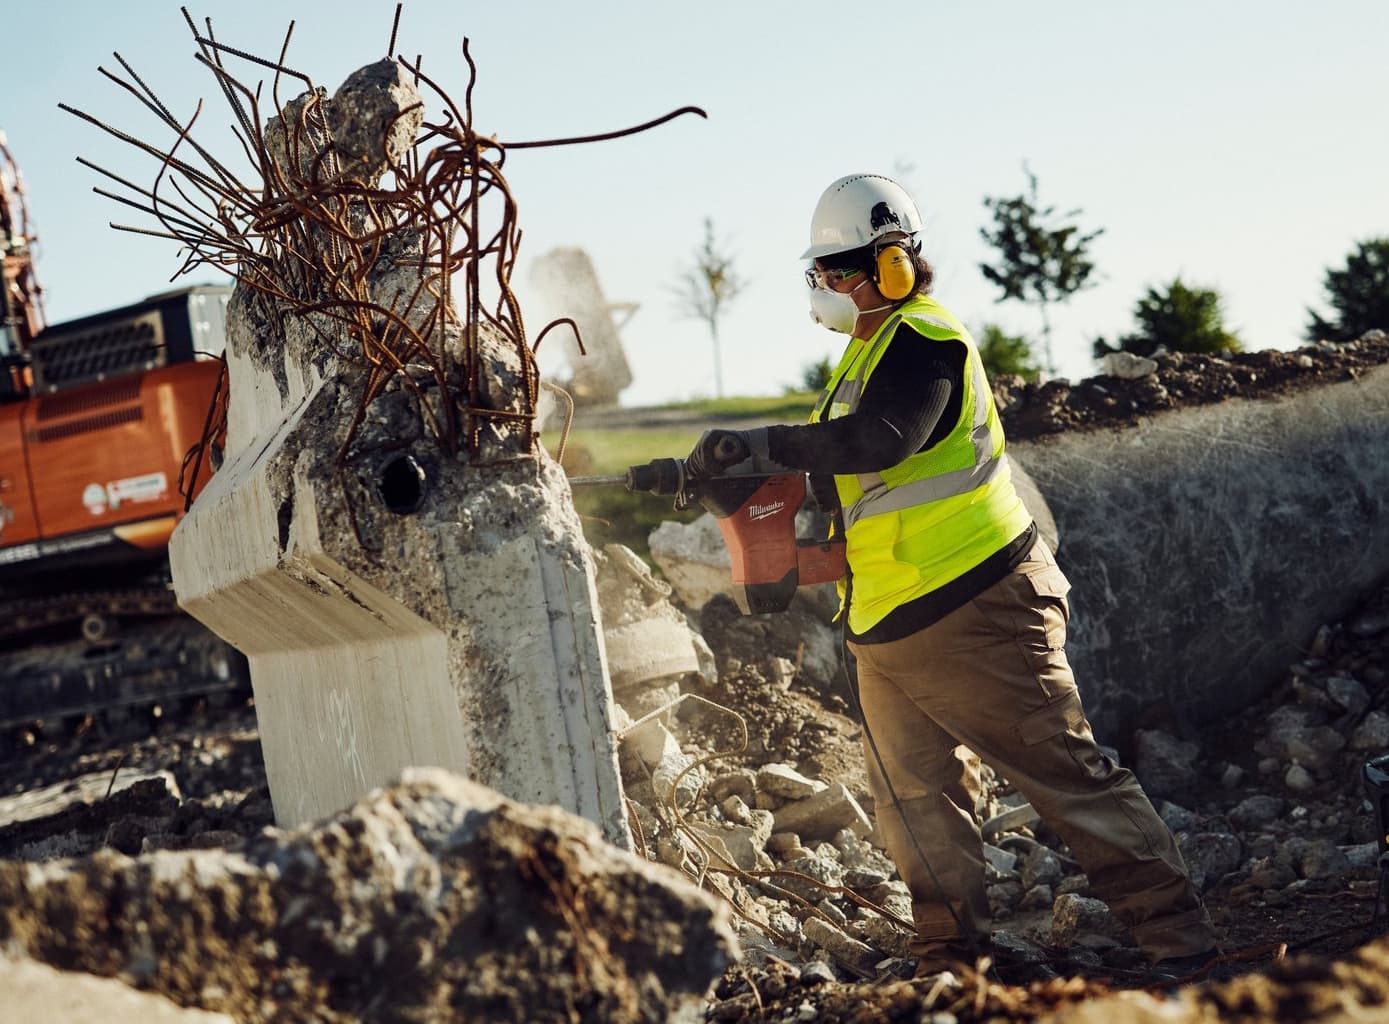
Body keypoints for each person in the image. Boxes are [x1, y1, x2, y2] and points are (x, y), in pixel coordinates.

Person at [684, 173, 1220, 981]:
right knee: (913, 801)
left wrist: (760, 442)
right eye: (820, 269)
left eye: (834, 269)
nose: (823, 284)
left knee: (1064, 775)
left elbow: (885, 440)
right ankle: (950, 953)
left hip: (978, 605)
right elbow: (854, 489)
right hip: (889, 621)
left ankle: (1182, 945)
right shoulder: (863, 358)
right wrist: (739, 488)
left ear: (889, 266)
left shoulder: (922, 340)